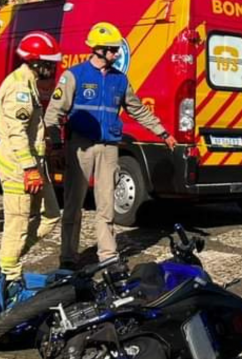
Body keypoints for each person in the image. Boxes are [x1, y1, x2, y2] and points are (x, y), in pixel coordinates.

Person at [44, 22, 177, 268]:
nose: (117, 54)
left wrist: (163, 132)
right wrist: (56, 144)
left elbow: (138, 110)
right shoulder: (74, 76)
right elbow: (53, 114)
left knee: (106, 204)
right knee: (74, 202)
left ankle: (108, 255)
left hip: (109, 148)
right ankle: (68, 256)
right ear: (99, 49)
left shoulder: (120, 80)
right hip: (80, 147)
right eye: (113, 50)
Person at [0, 31, 63, 301]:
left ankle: (3, 258)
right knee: (17, 225)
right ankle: (10, 276)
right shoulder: (20, 88)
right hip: (18, 167)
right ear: (36, 62)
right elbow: (17, 133)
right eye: (50, 63)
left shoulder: (28, 81)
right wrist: (30, 169)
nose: (53, 68)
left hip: (32, 164)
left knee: (51, 216)